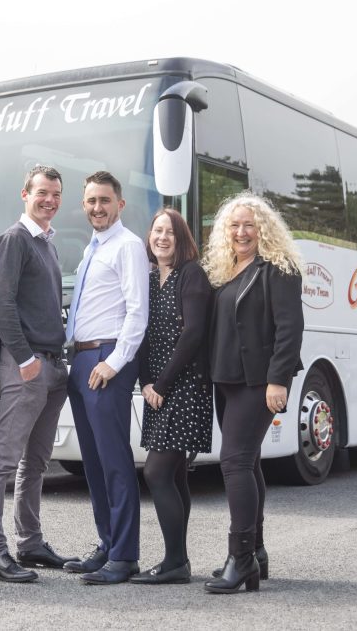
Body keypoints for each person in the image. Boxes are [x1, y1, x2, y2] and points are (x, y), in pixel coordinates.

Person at [201, 191, 304, 594]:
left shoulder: (279, 268)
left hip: (258, 382)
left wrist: (279, 380)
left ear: (263, 229)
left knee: (234, 461)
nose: (241, 232)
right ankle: (255, 552)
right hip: (226, 380)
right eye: (234, 225)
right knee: (249, 461)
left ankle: (240, 557)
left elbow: (289, 329)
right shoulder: (225, 270)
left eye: (249, 225)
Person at [0, 165, 77, 582]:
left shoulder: (47, 245)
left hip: (53, 366)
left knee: (36, 462)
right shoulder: (14, 239)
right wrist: (24, 358)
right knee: (3, 461)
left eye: (55, 194)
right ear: (25, 194)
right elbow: (0, 304)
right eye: (42, 193)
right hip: (27, 365)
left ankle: (30, 543)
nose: (49, 200)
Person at [63, 171, 149, 585]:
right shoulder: (92, 248)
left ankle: (125, 555)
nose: (97, 208)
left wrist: (114, 362)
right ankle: (108, 543)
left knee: (114, 460)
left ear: (120, 204)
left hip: (106, 357)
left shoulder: (128, 246)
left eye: (105, 200)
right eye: (91, 201)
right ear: (84, 205)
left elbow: (137, 311)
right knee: (93, 462)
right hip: (82, 359)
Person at [129, 208, 213, 585]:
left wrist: (161, 385)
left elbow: (193, 334)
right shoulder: (149, 279)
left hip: (185, 387)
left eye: (170, 232)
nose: (162, 238)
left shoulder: (191, 274)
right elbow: (142, 335)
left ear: (182, 239)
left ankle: (175, 561)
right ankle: (178, 560)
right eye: (157, 231)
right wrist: (146, 382)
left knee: (157, 471)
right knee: (175, 474)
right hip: (157, 389)